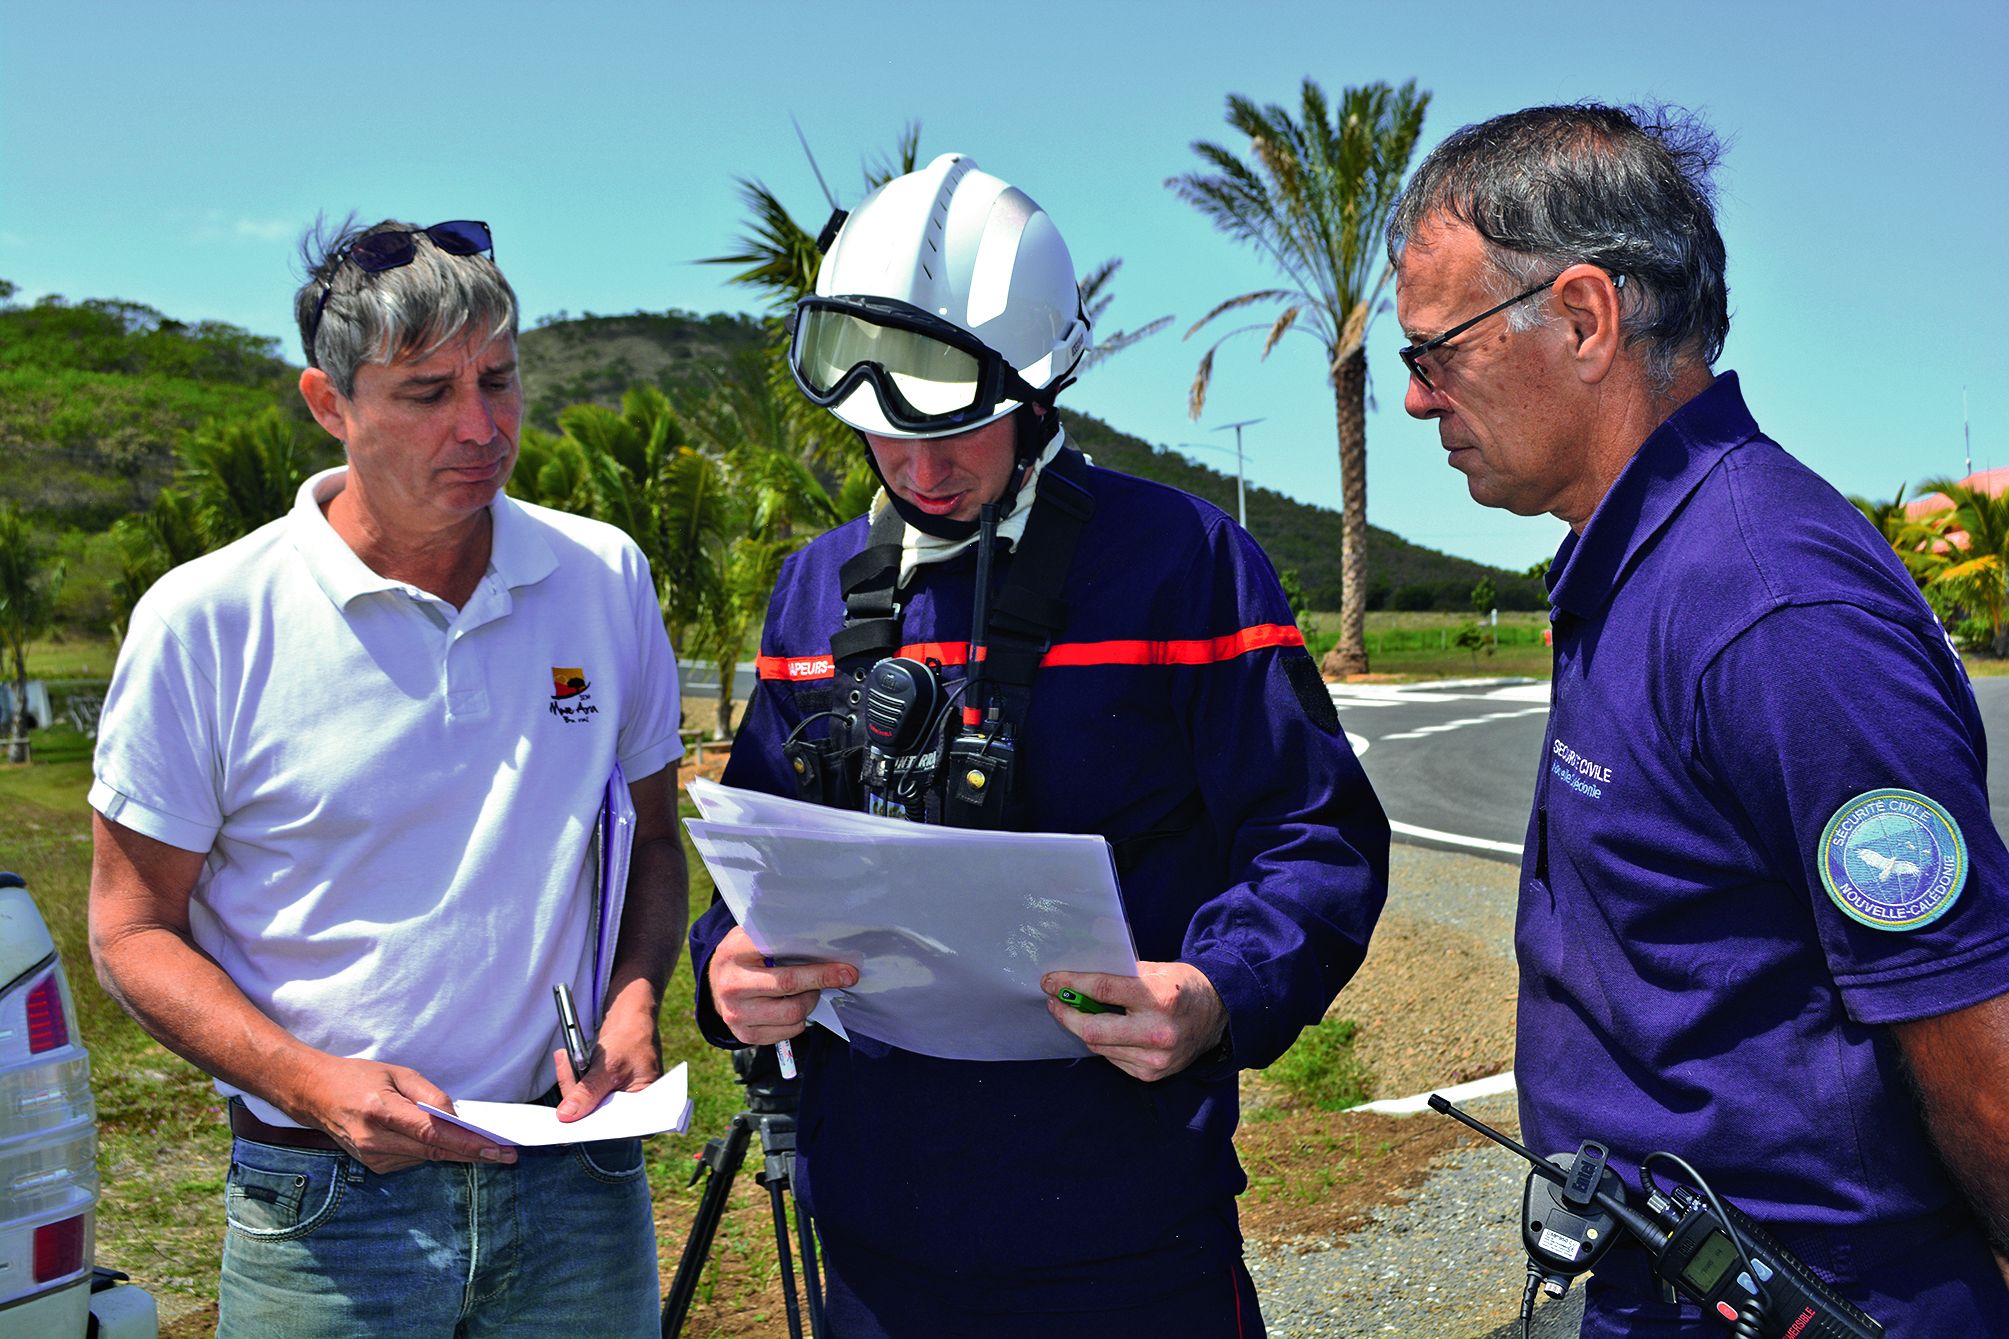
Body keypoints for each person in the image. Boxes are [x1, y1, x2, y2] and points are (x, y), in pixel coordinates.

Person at [688, 153, 1389, 1336]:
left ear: (1042, 388)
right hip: (871, 1231)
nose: (916, 470)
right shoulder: (815, 594)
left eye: (956, 433)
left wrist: (1218, 990)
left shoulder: (1183, 565)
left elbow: (1314, 836)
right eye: (879, 438)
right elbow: (762, 849)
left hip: (1122, 1233)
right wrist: (725, 967)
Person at [1389, 104, 2009, 1333]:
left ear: (1581, 318)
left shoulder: (1768, 607)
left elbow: (1968, 1028)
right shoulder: (1643, 562)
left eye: (1432, 354)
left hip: (1826, 1299)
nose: (1416, 403)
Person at [87, 218, 688, 1338]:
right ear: (329, 403)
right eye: (424, 394)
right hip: (323, 1206)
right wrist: (311, 1079)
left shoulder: (601, 577)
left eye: (498, 379)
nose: (480, 426)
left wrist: (634, 993)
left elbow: (653, 841)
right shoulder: (207, 620)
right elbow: (129, 931)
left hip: (575, 1185)